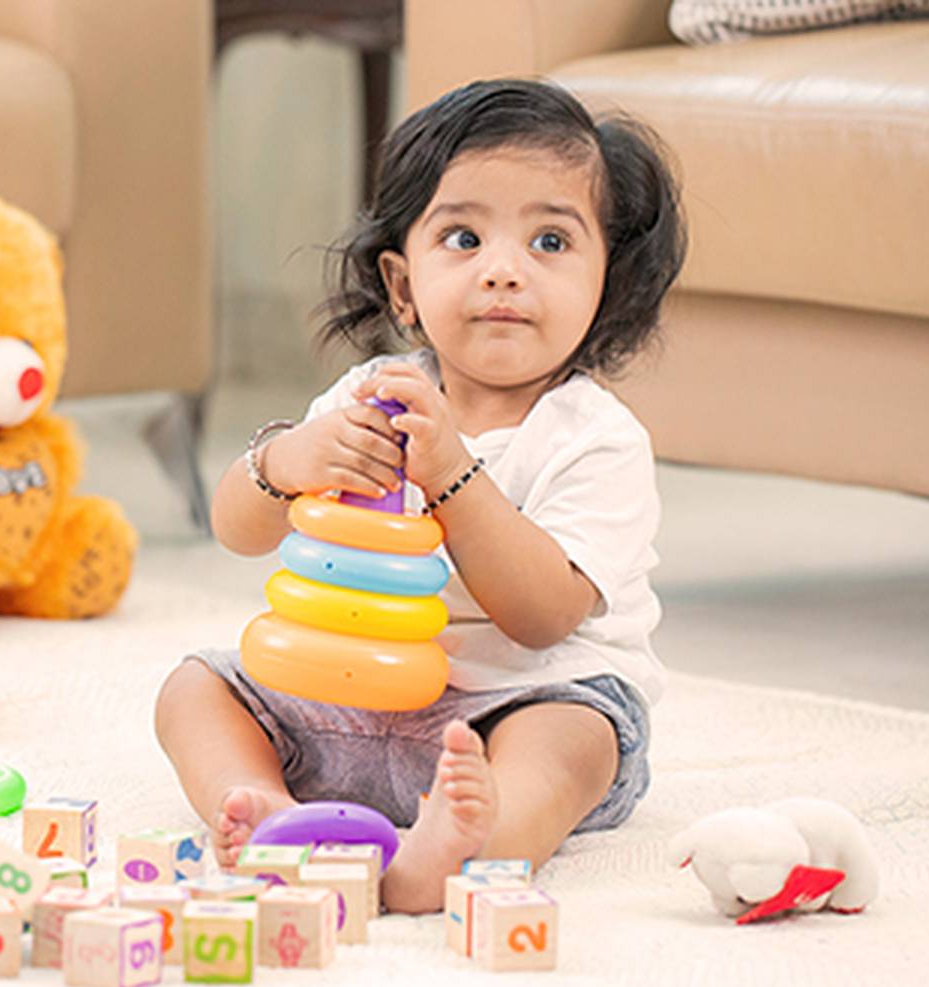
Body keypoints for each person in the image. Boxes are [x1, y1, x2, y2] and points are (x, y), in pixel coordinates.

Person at [155, 78, 686, 913]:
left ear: (606, 283)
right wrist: (291, 459)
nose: (504, 272)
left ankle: (462, 846)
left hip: (513, 706)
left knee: (576, 743)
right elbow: (238, 527)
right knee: (194, 687)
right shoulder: (374, 393)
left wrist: (452, 475)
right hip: (346, 698)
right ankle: (265, 807)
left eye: (551, 242)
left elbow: (544, 616)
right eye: (465, 237)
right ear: (403, 287)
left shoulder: (595, 437)